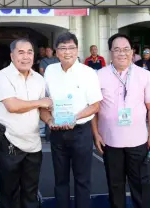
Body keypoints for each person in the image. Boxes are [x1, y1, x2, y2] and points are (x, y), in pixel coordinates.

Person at [92, 33, 150, 208]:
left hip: (138, 141)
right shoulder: (99, 75)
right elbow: (94, 109)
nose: (122, 53)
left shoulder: (144, 75)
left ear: (132, 52)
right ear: (110, 53)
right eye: (117, 50)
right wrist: (96, 135)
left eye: (126, 49)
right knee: (115, 186)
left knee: (140, 185)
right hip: (110, 141)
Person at [41, 32, 103, 208]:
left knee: (82, 180)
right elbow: (43, 103)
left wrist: (75, 117)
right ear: (56, 51)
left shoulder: (88, 73)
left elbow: (95, 105)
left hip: (80, 132)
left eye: (71, 48)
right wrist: (50, 121)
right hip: (57, 133)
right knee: (60, 180)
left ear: (77, 50)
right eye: (62, 48)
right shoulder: (50, 71)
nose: (67, 52)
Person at [0, 38, 52, 208]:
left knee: (30, 191)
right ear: (12, 56)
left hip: (34, 144)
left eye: (30, 52)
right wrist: (40, 103)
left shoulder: (39, 79)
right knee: (10, 192)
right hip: (10, 142)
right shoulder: (2, 76)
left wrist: (50, 121)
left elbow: (43, 110)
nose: (26, 57)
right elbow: (12, 106)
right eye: (21, 52)